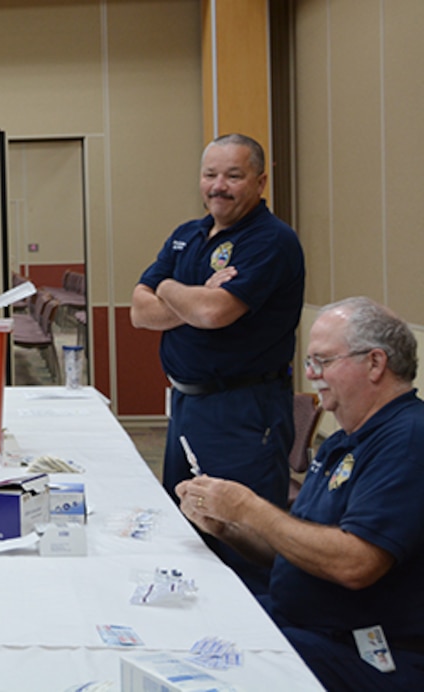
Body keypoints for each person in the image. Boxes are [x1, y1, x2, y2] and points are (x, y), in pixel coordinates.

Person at [177, 297, 424, 690]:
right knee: (189, 622)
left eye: (323, 362)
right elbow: (296, 548)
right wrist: (228, 527)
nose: (312, 376)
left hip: (362, 650)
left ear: (376, 363)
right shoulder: (344, 441)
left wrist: (248, 507)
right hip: (305, 623)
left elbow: (354, 564)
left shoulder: (408, 439)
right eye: (309, 363)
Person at [130, 133, 305, 593]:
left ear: (260, 181)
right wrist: (193, 295)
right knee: (187, 528)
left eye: (233, 175)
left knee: (237, 538)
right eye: (210, 175)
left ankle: (261, 644)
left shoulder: (271, 240)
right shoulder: (188, 235)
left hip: (243, 409)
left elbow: (214, 313)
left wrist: (167, 288)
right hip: (187, 405)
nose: (218, 186)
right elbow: (137, 312)